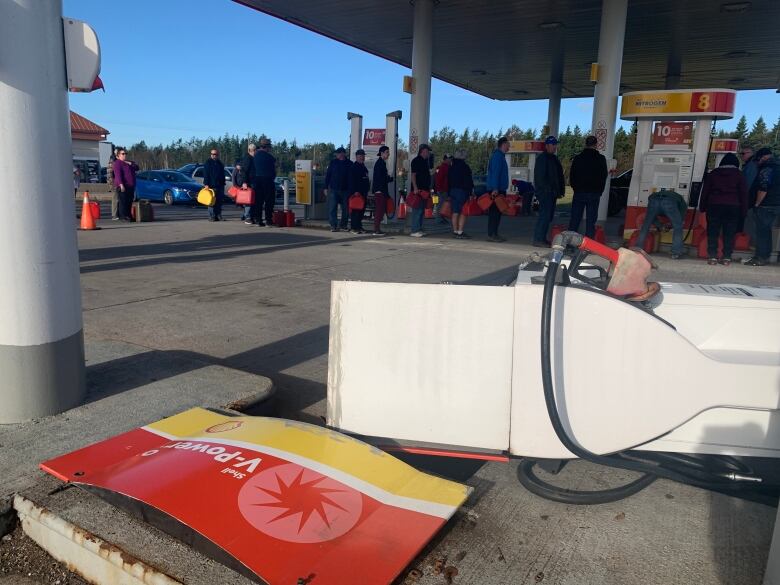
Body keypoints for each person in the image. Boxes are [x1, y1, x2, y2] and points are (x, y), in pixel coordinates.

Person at [698, 153, 747, 265]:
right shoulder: (739, 175)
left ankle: (712, 256)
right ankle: (726, 257)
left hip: (714, 205)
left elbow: (705, 191)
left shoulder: (713, 174)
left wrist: (702, 206)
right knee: (729, 232)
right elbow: (744, 193)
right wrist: (744, 210)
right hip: (733, 206)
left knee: (712, 231)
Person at [744, 147, 779, 266]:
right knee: (768, 231)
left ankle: (760, 257)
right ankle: (766, 255)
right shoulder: (778, 167)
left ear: (763, 157)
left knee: (762, 232)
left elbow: (763, 187)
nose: (757, 163)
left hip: (766, 204)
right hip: (777, 204)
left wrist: (757, 203)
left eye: (758, 160)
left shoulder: (767, 168)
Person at [568, 135, 608, 238]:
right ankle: (588, 245)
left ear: (585, 144)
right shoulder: (601, 159)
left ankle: (570, 242)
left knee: (575, 219)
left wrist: (575, 188)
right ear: (596, 145)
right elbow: (604, 176)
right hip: (594, 193)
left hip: (579, 192)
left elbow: (572, 175)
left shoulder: (578, 158)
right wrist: (599, 190)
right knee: (591, 221)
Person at [637, 189, 688, 259]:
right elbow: (680, 218)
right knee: (678, 227)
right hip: (669, 201)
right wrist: (673, 224)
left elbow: (653, 217)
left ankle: (638, 248)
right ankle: (676, 252)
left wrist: (660, 226)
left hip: (653, 200)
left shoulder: (662, 194)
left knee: (646, 225)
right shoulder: (680, 200)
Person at [533, 136, 565, 246]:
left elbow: (558, 176)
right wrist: (544, 190)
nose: (555, 147)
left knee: (548, 217)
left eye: (555, 144)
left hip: (552, 193)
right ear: (547, 146)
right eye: (552, 144)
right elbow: (539, 177)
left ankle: (541, 237)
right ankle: (538, 239)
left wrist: (560, 190)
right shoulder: (542, 159)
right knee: (544, 216)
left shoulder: (554, 159)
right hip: (545, 193)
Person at [486, 137, 510, 242]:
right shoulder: (497, 157)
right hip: (496, 190)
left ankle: (494, 233)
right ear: (503, 144)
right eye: (508, 144)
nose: (509, 147)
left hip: (499, 189)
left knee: (497, 213)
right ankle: (492, 234)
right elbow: (495, 173)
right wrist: (495, 188)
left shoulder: (501, 156)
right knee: (494, 213)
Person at [448, 149, 474, 239]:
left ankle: (455, 231)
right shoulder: (465, 167)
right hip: (462, 191)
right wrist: (470, 192)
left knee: (455, 212)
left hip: (453, 191)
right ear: (463, 157)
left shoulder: (451, 167)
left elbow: (448, 180)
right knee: (463, 212)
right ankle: (460, 232)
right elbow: (468, 181)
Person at [325, 147, 351, 232]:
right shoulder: (333, 163)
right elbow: (328, 175)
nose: (337, 155)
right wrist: (325, 187)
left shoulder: (349, 163)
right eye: (337, 153)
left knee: (345, 209)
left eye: (338, 153)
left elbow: (352, 178)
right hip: (334, 189)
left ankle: (343, 225)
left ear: (343, 154)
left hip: (346, 190)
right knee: (332, 208)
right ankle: (333, 225)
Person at [251, 138, 276, 227]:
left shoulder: (255, 156)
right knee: (269, 201)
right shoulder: (269, 157)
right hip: (268, 180)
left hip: (257, 180)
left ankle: (258, 220)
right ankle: (268, 220)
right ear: (267, 147)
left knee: (258, 201)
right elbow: (273, 169)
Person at [409, 144, 432, 237]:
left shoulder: (425, 162)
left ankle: (419, 228)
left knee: (422, 210)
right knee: (417, 210)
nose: (428, 153)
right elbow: (413, 175)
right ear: (423, 151)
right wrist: (415, 187)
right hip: (418, 190)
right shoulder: (416, 161)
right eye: (427, 151)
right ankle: (414, 230)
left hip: (424, 190)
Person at [371, 145, 393, 236]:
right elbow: (381, 179)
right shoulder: (380, 164)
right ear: (382, 153)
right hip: (380, 191)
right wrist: (389, 179)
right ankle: (376, 229)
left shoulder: (381, 163)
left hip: (380, 190)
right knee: (380, 210)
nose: (388, 154)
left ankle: (377, 229)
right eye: (387, 152)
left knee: (381, 210)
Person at [112, 148, 138, 221]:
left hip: (131, 185)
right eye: (122, 154)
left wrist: (131, 164)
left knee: (129, 201)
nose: (124, 155)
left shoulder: (128, 163)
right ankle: (122, 216)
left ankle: (129, 215)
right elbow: (118, 175)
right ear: (118, 156)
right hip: (123, 185)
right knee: (123, 201)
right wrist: (121, 184)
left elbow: (137, 167)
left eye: (125, 154)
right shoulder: (117, 163)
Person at [348, 149, 369, 234]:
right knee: (355, 211)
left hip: (363, 193)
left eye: (363, 155)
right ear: (356, 157)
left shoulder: (363, 167)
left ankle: (359, 227)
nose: (362, 157)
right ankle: (353, 228)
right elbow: (351, 180)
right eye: (360, 156)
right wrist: (355, 191)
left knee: (361, 211)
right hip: (356, 193)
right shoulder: (354, 167)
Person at [203, 147, 226, 221]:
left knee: (219, 201)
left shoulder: (220, 163)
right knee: (211, 201)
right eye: (212, 154)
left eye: (215, 154)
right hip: (211, 185)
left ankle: (218, 215)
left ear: (217, 154)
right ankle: (211, 216)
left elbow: (222, 174)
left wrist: (223, 182)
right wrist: (206, 184)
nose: (213, 155)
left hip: (220, 185)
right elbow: (206, 174)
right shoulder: (208, 163)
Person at [240, 143, 257, 224]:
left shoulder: (253, 158)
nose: (255, 151)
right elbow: (244, 171)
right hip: (248, 183)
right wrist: (244, 182)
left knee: (253, 200)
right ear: (250, 150)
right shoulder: (247, 158)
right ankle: (248, 217)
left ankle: (252, 216)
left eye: (255, 150)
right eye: (254, 150)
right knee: (248, 200)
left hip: (254, 182)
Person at [434, 153, 452, 224]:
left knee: (443, 205)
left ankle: (441, 218)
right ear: (446, 159)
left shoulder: (445, 167)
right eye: (449, 159)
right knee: (441, 204)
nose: (451, 160)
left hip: (444, 189)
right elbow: (439, 179)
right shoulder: (443, 167)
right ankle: (439, 219)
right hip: (442, 190)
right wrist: (440, 189)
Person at [107, 148, 118, 220]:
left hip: (113, 182)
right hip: (114, 183)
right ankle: (114, 215)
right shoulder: (113, 160)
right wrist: (112, 183)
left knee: (116, 198)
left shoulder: (113, 160)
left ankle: (116, 214)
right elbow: (110, 174)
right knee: (115, 198)